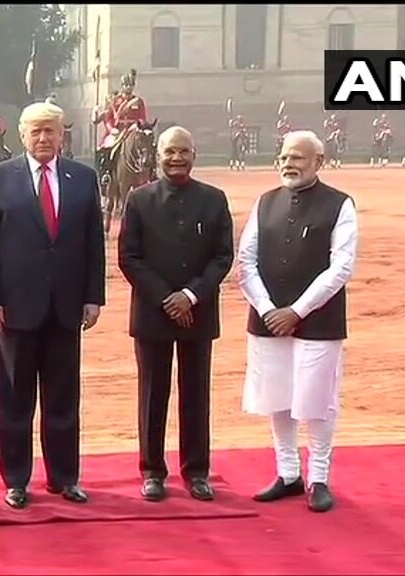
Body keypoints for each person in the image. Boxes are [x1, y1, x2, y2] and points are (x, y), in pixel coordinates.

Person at [0, 101, 106, 510]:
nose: (44, 137)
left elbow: (93, 242)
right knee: (14, 399)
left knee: (63, 397)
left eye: (51, 130)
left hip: (66, 307)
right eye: (36, 131)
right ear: (22, 135)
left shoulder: (83, 178)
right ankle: (16, 479)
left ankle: (65, 477)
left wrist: (92, 296)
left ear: (62, 134)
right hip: (13, 309)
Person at [236, 130, 359, 514]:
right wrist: (268, 308)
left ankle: (318, 477)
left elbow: (341, 267)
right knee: (278, 395)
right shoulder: (265, 202)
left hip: (318, 322)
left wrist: (298, 311)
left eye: (299, 158)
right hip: (269, 319)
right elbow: (246, 262)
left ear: (318, 162)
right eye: (285, 156)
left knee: (317, 400)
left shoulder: (339, 205)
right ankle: (287, 472)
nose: (289, 163)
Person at [117, 126, 234, 503]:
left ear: (194, 155)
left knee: (195, 394)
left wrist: (190, 295)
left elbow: (222, 257)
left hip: (198, 313)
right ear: (158, 155)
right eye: (170, 151)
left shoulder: (214, 200)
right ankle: (152, 470)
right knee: (152, 394)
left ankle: (197, 471)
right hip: (153, 313)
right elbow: (129, 258)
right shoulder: (138, 200)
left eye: (183, 151)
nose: (176, 158)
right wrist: (167, 298)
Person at [94, 71, 148, 178]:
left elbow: (143, 118)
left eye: (130, 85)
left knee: (147, 146)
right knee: (106, 148)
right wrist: (111, 130)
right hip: (118, 131)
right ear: (122, 86)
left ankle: (151, 173)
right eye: (126, 85)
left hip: (134, 130)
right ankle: (106, 174)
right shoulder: (115, 100)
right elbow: (108, 118)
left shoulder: (138, 101)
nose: (128, 87)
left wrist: (138, 126)